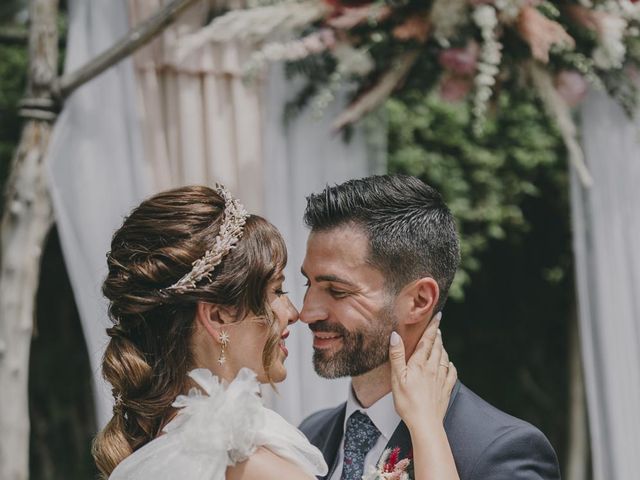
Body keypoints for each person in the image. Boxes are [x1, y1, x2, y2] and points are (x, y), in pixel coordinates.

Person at [91, 184, 457, 480]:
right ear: (217, 316)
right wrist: (427, 428)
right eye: (277, 291)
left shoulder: (159, 452)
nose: (295, 312)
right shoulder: (252, 464)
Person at [299, 174, 561, 480]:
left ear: (419, 300)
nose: (306, 312)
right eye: (309, 283)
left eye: (338, 291)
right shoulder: (308, 437)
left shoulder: (503, 451)